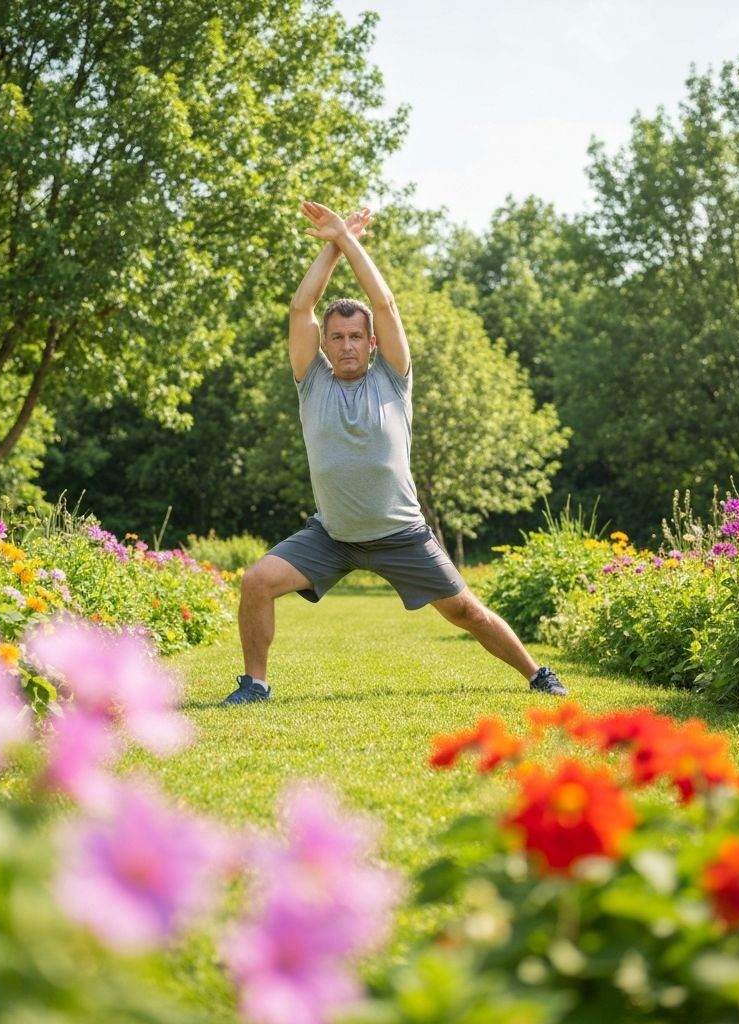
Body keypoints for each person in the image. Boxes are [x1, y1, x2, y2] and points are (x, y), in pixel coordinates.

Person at [221, 200, 566, 704]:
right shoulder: (311, 381)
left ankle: (538, 674)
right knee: (256, 581)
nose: (345, 345)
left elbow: (385, 304)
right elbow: (301, 310)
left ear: (372, 342)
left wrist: (347, 239)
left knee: (466, 611)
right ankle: (255, 684)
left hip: (401, 533)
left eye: (355, 337)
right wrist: (333, 245)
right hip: (333, 534)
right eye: (336, 337)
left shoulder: (392, 377)